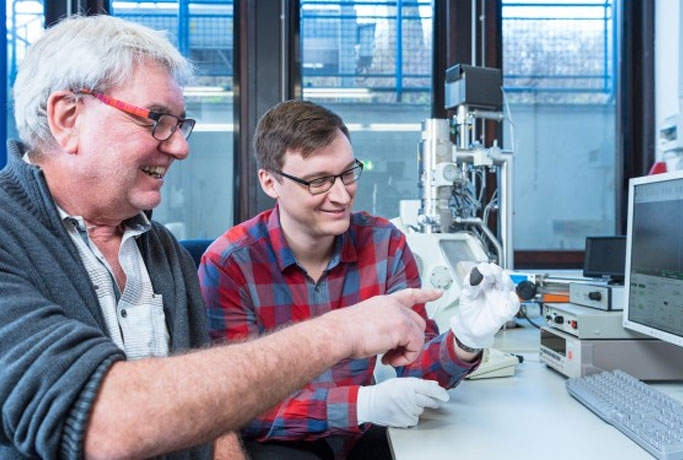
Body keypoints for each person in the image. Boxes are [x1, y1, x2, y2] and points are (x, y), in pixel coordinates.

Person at [0, 15, 442, 460]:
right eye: (156, 120)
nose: (180, 147)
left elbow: (215, 419)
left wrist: (465, 342)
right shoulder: (8, 234)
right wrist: (341, 331)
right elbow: (99, 420)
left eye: (179, 124)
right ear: (68, 117)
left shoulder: (161, 251)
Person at [199, 100, 521, 459]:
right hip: (279, 444)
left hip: (358, 437)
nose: (341, 195)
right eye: (318, 181)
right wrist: (361, 404)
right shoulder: (228, 264)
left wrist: (465, 340)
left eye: (349, 172)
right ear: (270, 181)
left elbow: (415, 372)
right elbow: (237, 404)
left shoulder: (385, 244)